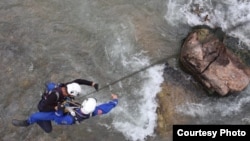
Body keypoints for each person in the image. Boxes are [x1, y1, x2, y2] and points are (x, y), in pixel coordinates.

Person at [12, 94, 118, 131]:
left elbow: (58, 119)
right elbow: (105, 108)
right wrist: (115, 100)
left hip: (61, 117)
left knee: (35, 116)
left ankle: (26, 123)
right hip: (68, 112)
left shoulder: (69, 120)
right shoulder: (93, 111)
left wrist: (60, 109)